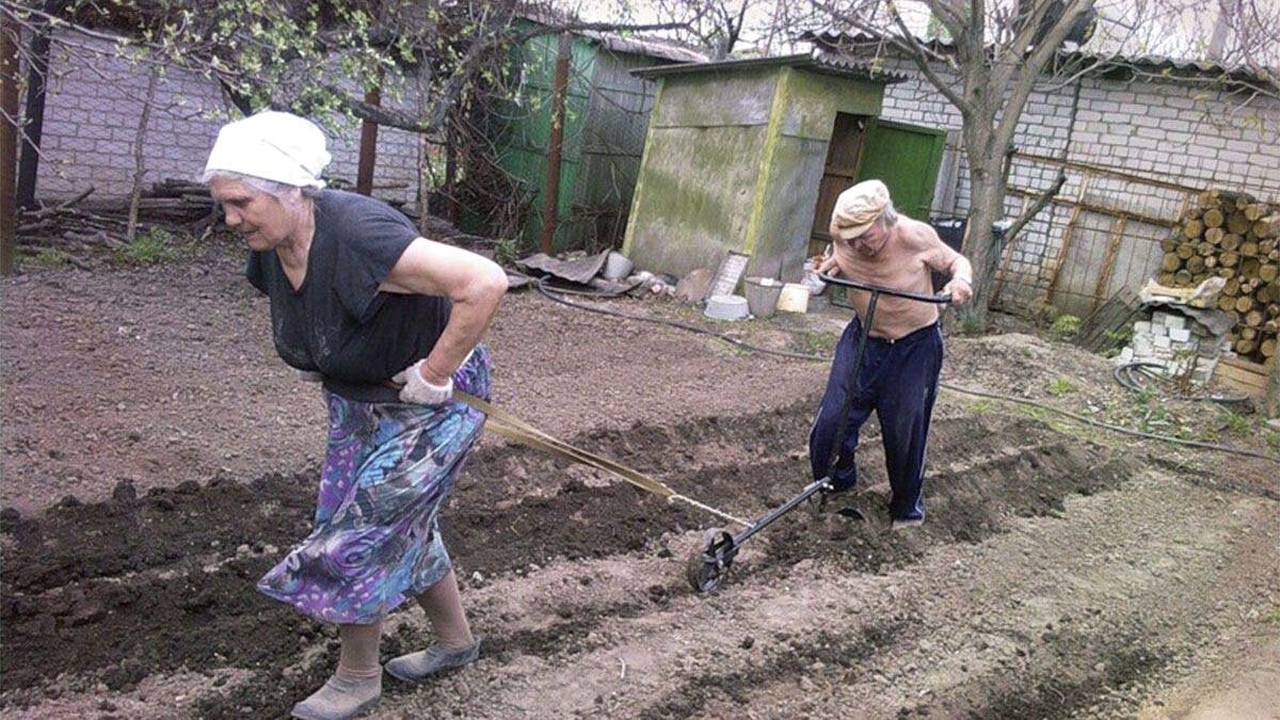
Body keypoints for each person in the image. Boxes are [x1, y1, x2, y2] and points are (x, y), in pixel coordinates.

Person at [202, 110, 508, 720]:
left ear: (292, 189)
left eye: (241, 202)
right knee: (397, 525)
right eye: (223, 203)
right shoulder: (270, 242)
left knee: (357, 534)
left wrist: (435, 372)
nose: (230, 218)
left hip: (434, 405)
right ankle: (456, 642)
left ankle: (358, 678)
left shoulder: (361, 234)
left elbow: (485, 281)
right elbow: (316, 315)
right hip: (359, 403)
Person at [810, 179, 973, 530]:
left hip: (914, 347)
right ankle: (839, 480)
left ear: (887, 220)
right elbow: (838, 255)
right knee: (830, 424)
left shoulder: (915, 236)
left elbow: (957, 262)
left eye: (864, 236)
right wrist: (831, 266)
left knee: (904, 432)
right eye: (849, 236)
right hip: (863, 339)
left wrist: (961, 282)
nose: (855, 244)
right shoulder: (843, 234)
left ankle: (905, 510)